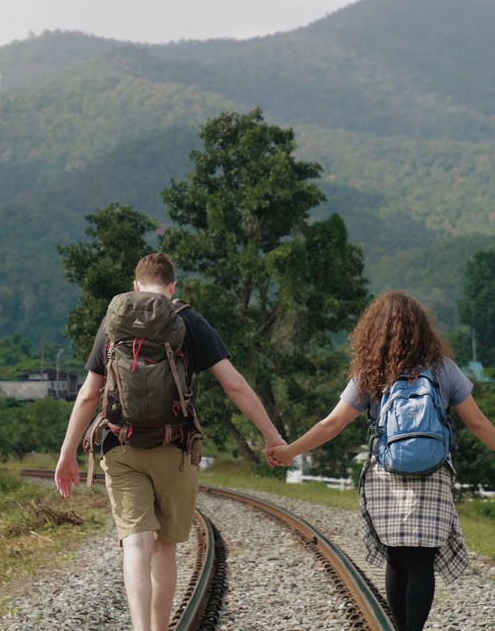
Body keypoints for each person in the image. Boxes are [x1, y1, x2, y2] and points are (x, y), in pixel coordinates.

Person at [55, 252, 285, 631]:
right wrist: (271, 435)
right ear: (172, 286)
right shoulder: (187, 320)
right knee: (164, 546)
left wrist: (67, 454)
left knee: (135, 544)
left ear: (135, 285)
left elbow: (88, 394)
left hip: (121, 447)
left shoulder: (114, 319)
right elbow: (235, 384)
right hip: (174, 448)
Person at [271, 290, 495, 631]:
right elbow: (478, 423)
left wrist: (290, 451)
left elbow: (331, 424)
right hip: (433, 475)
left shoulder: (371, 373)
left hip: (385, 474)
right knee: (421, 561)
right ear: (422, 329)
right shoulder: (444, 369)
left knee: (396, 558)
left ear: (374, 332)